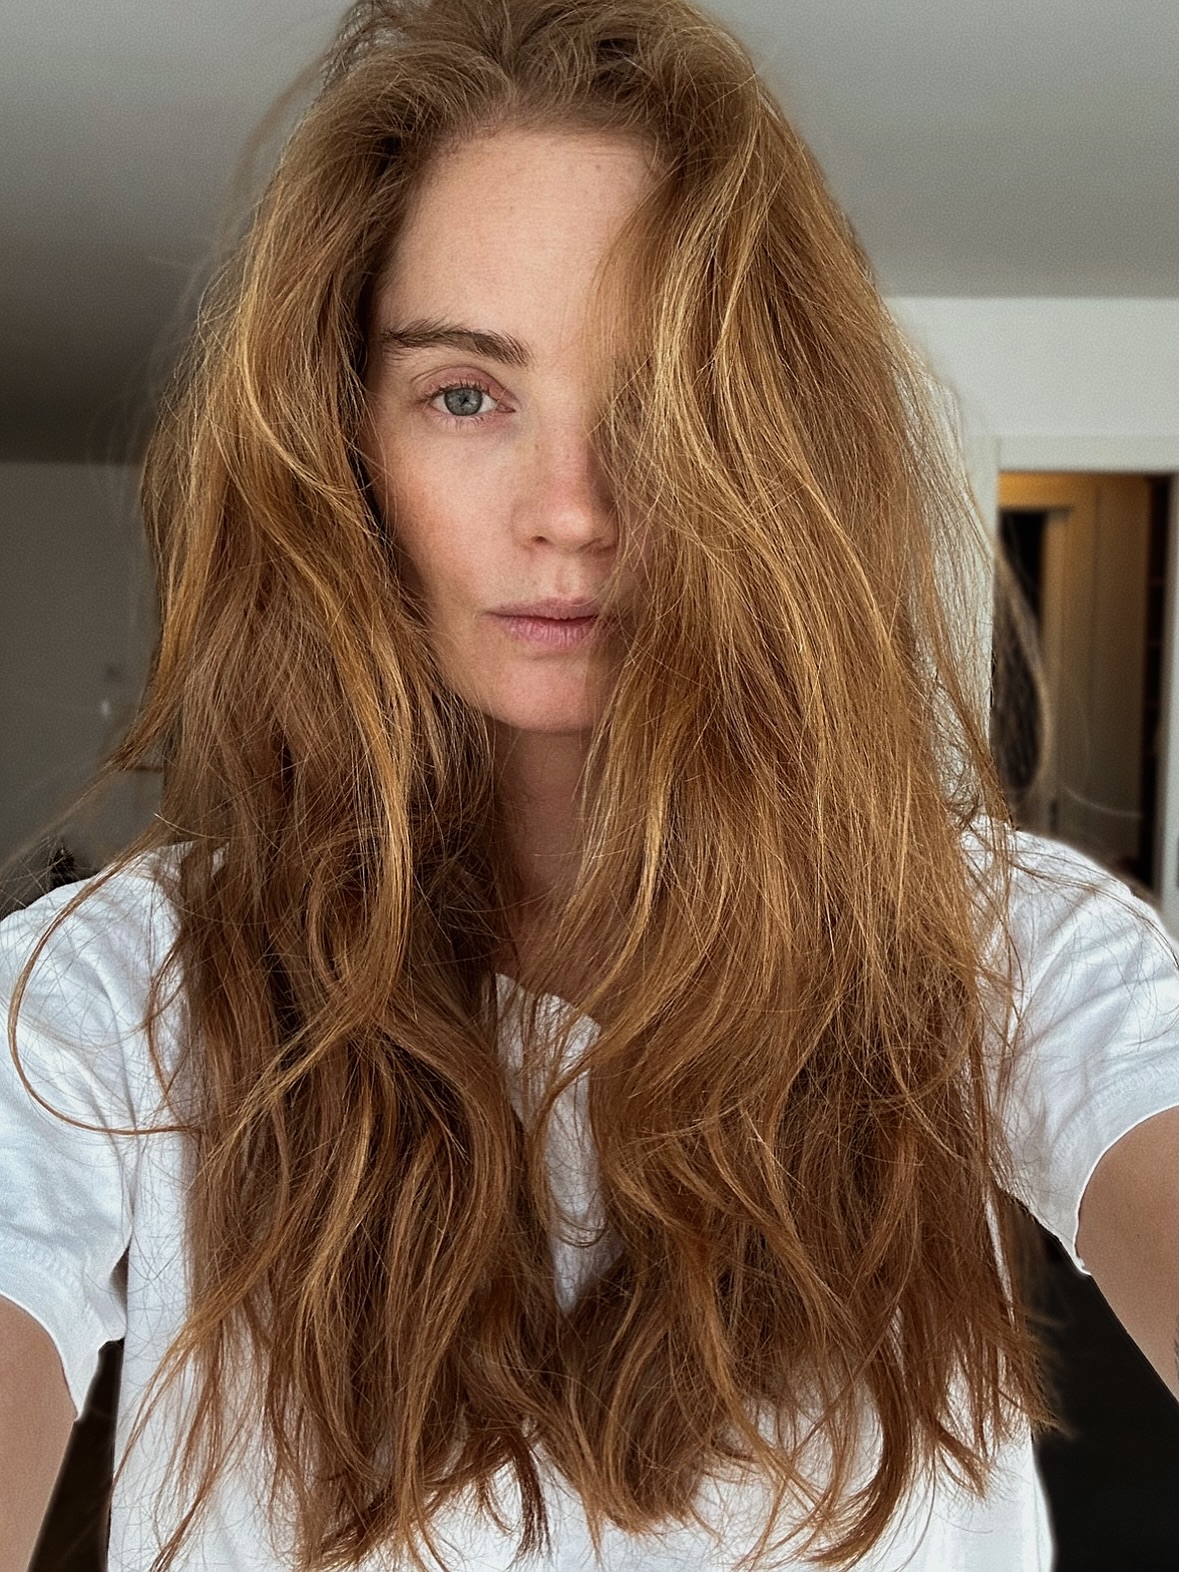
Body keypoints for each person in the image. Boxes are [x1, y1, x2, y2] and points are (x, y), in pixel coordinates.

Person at [1, 2, 1176, 1569]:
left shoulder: (1002, 948)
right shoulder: (113, 997)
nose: (573, 511)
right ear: (343, 448)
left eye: (662, 401)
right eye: (465, 395)